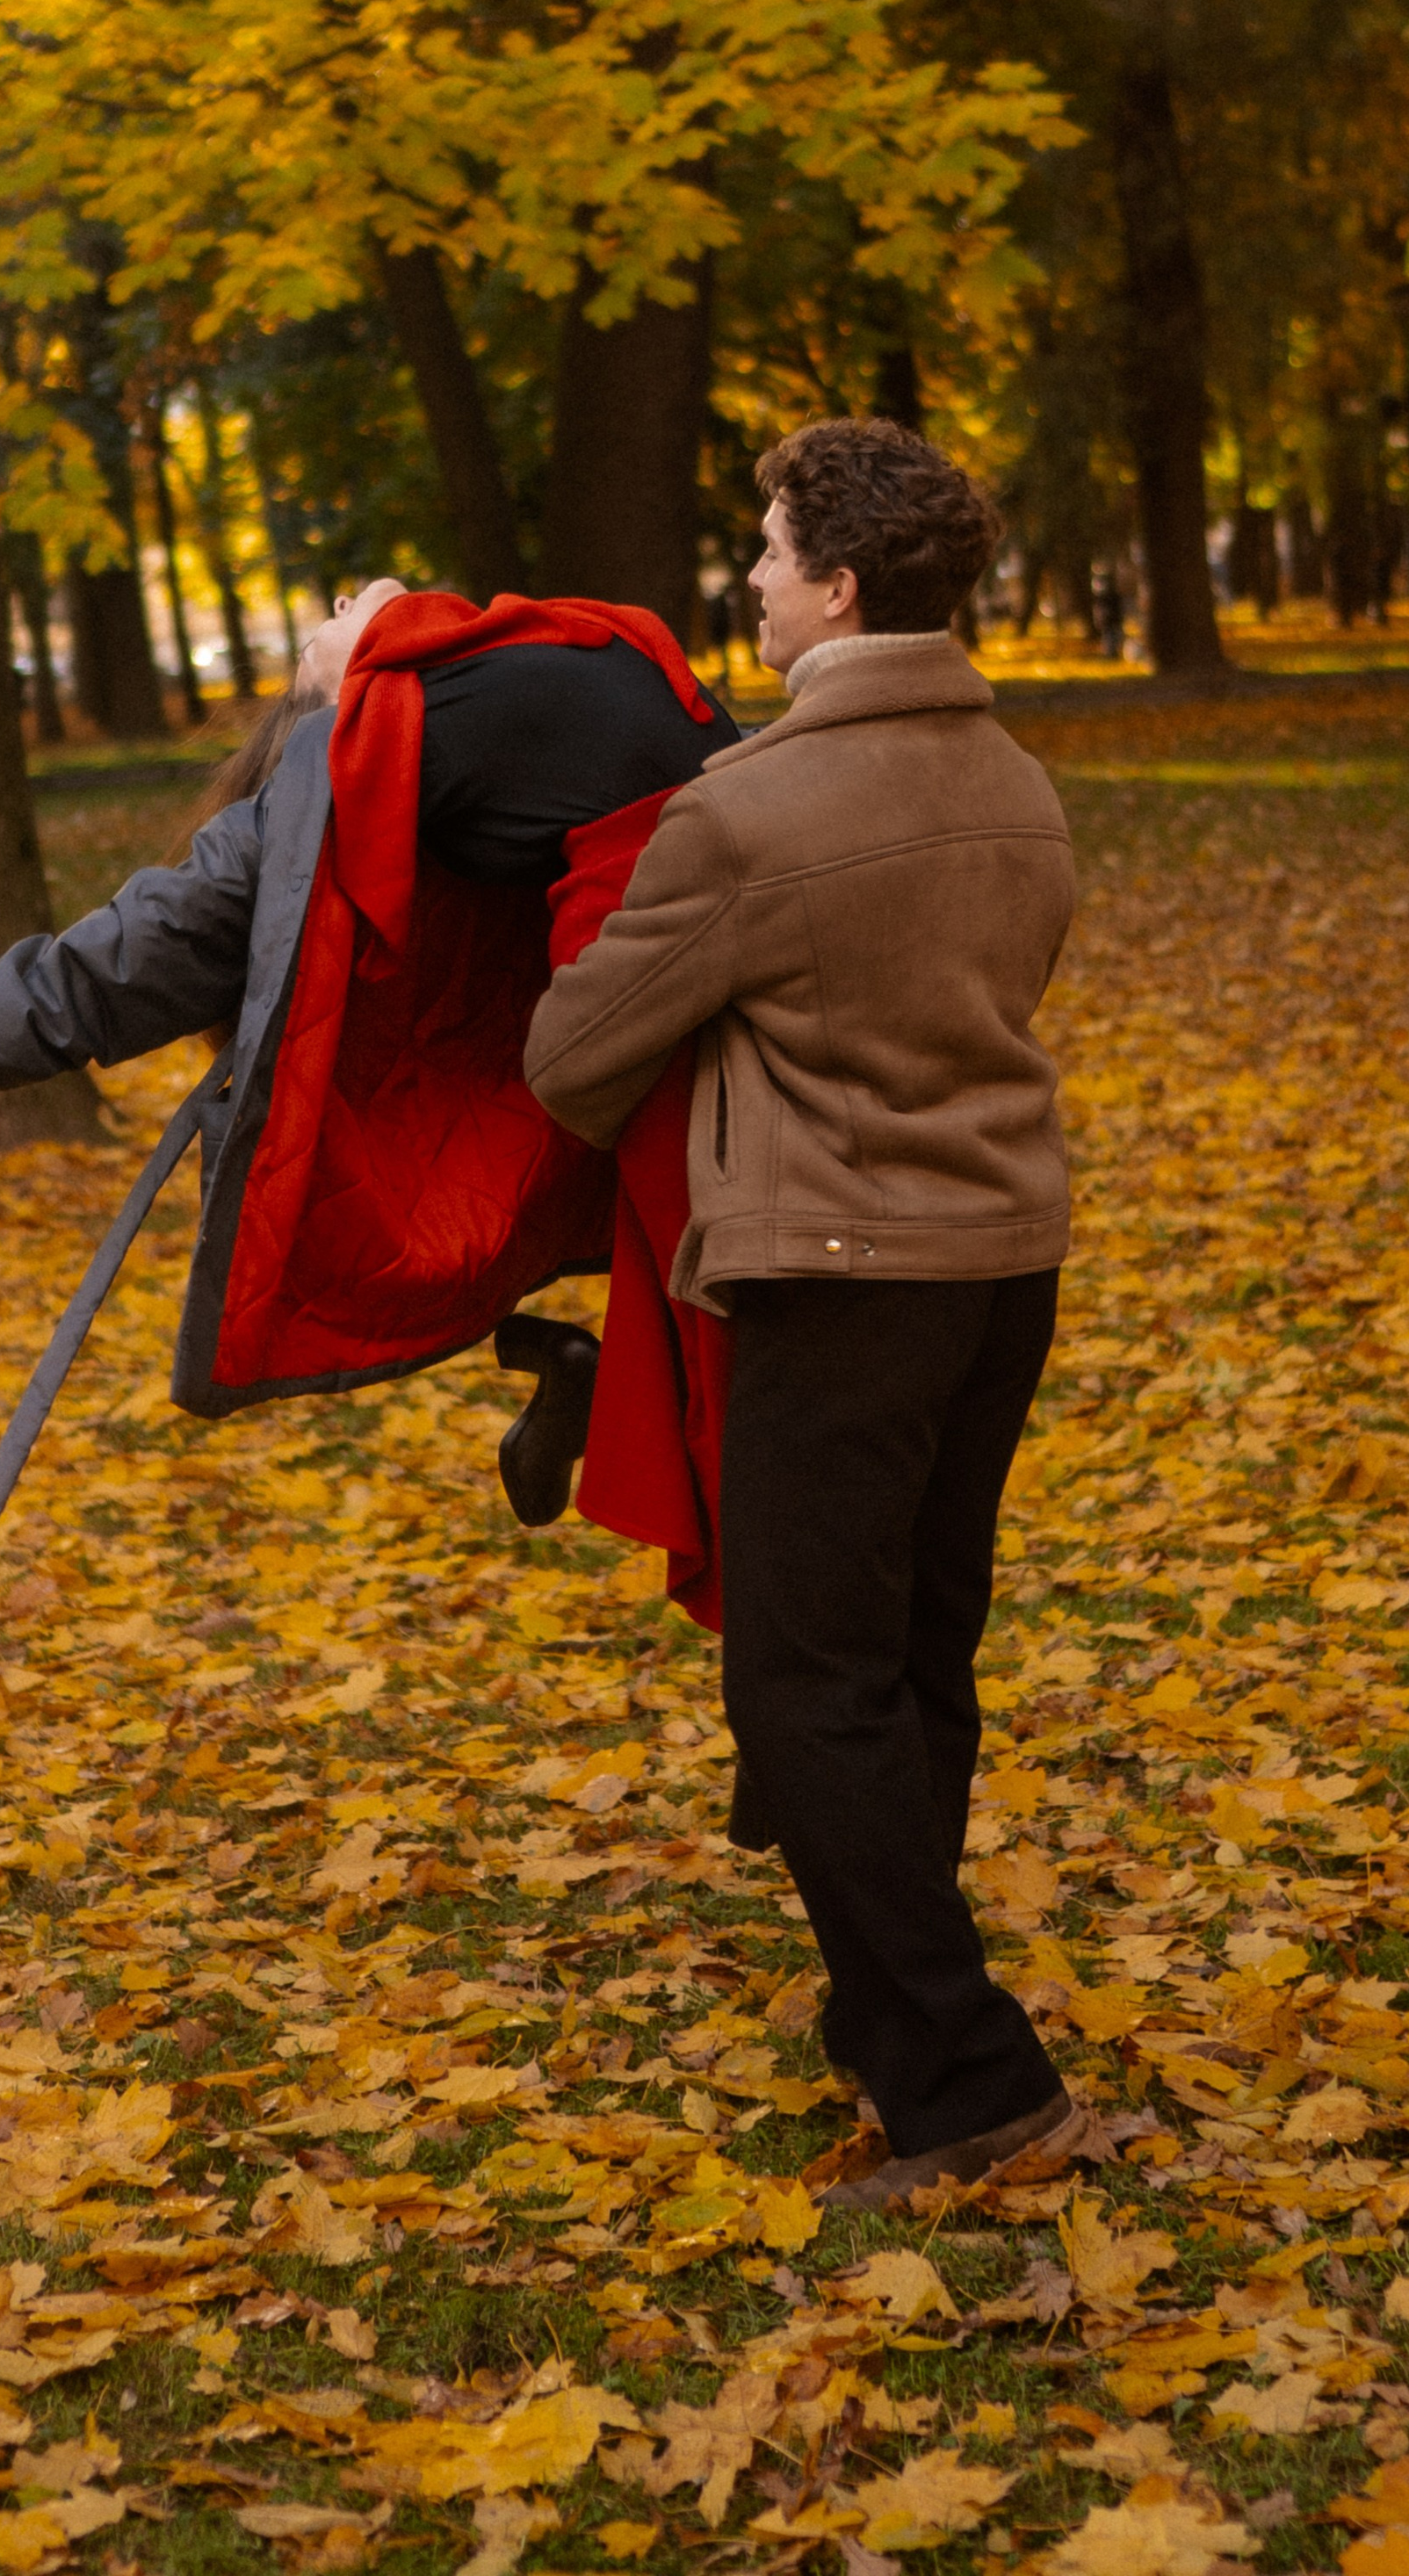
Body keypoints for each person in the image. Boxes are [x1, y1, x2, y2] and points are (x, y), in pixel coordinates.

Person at [524, 419, 1087, 2212]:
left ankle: (967, 2085)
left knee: (799, 1682)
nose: (746, 582)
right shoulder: (1019, 780)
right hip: (1003, 1268)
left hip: (842, 1286)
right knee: (914, 1656)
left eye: (765, 553)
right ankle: (890, 2013)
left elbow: (568, 1060)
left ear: (836, 588)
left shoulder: (745, 814)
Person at [0, 577, 740, 1522]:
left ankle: (594, 1385)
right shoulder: (373, 737)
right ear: (337, 692)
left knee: (725, 1334)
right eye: (322, 635)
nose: (338, 606)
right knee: (726, 1357)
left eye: (338, 609)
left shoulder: (526, 649)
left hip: (721, 978)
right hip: (692, 1006)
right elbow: (185, 921)